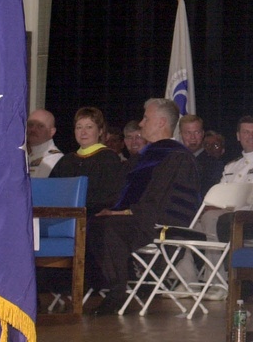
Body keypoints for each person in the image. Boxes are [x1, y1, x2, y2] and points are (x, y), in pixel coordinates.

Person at [85, 98, 200, 315]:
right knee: (92, 222)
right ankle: (105, 285)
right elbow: (120, 192)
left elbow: (159, 202)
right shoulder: (145, 156)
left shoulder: (177, 156)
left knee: (109, 228)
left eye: (146, 118)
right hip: (140, 218)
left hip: (163, 222)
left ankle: (117, 292)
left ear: (161, 123)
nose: (140, 123)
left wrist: (123, 212)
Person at [49, 107, 127, 215]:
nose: (83, 132)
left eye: (89, 127)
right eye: (79, 127)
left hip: (94, 219)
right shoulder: (66, 160)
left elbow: (111, 196)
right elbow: (52, 190)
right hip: (64, 217)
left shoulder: (108, 158)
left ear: (100, 131)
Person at [180, 114, 225, 196]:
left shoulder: (214, 165)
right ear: (181, 134)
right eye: (187, 133)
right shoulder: (175, 161)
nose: (192, 137)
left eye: (196, 132)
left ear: (202, 134)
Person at [27, 108, 63, 177]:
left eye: (40, 126)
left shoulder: (54, 159)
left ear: (52, 132)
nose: (33, 129)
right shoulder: (24, 155)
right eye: (30, 125)